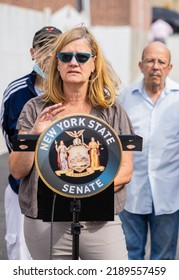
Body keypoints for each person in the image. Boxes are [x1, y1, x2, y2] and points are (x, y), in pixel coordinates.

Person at [8, 26, 134, 260]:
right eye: (65, 57)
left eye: (82, 57)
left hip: (99, 222)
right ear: (57, 64)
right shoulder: (34, 108)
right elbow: (16, 170)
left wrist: (81, 190)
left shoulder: (113, 111)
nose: (73, 62)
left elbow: (125, 170)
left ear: (94, 64)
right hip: (47, 223)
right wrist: (35, 134)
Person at [0, 26, 62, 259]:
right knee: (21, 257)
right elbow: (11, 141)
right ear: (32, 52)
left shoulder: (72, 91)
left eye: (55, 48)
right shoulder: (15, 93)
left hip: (63, 194)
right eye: (43, 48)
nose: (48, 54)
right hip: (23, 192)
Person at [118, 41, 179, 260]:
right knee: (130, 255)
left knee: (163, 258)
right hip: (131, 193)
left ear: (169, 67)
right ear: (140, 65)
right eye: (150, 61)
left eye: (161, 62)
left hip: (169, 195)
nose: (155, 66)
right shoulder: (124, 98)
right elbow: (114, 142)